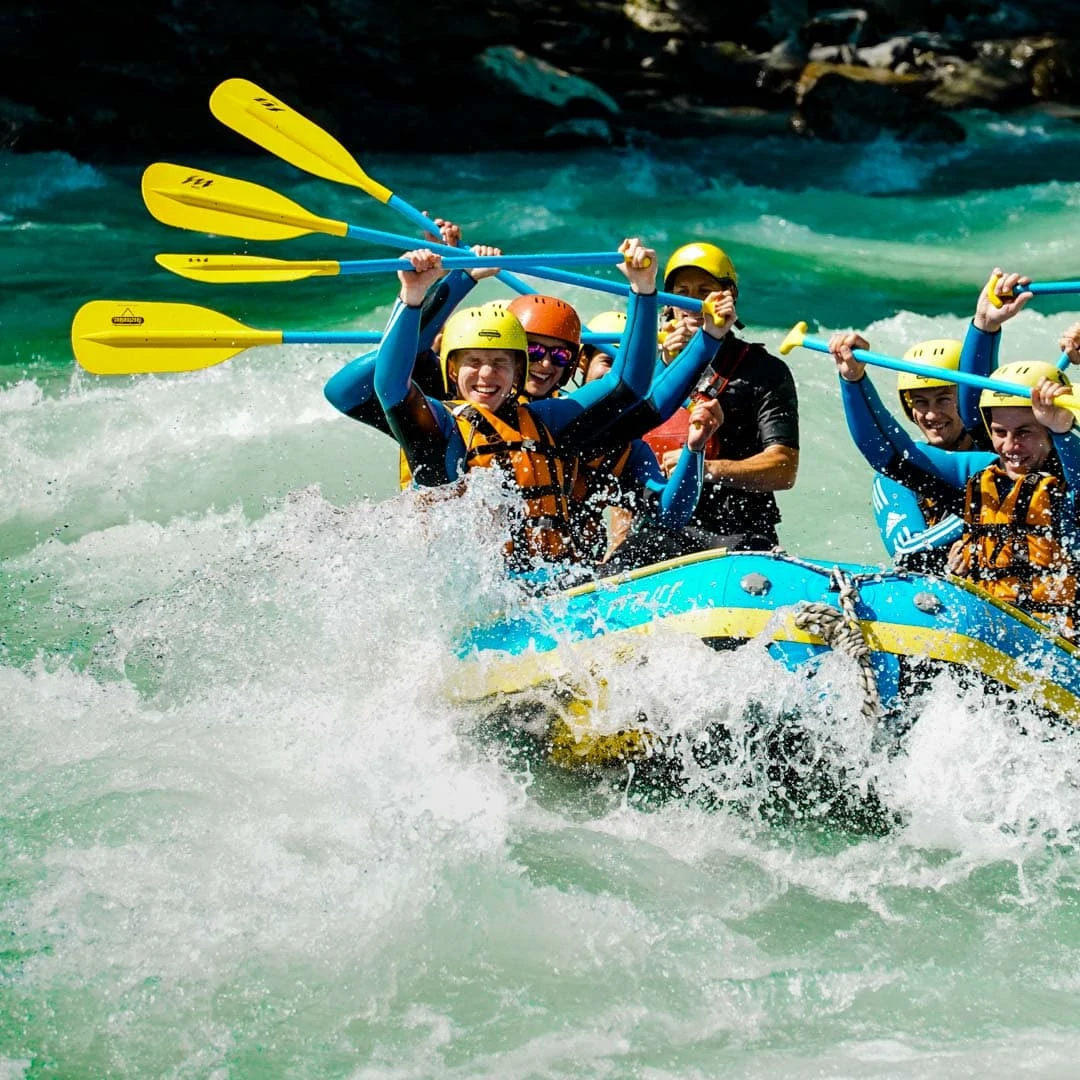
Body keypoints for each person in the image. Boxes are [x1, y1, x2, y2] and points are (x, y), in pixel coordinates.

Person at [372, 239, 726, 574]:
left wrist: (643, 289)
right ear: (450, 367)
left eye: (500, 363)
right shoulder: (439, 426)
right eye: (474, 361)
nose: (486, 374)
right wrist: (414, 295)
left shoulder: (551, 423)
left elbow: (630, 389)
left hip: (555, 589)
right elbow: (387, 385)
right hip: (473, 598)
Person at [829, 327, 1080, 637]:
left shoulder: (1067, 481)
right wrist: (854, 380)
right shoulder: (982, 472)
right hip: (992, 637)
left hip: (1063, 645)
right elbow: (890, 455)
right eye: (1000, 433)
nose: (1011, 446)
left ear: (1050, 431)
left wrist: (1063, 434)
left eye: (1025, 433)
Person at [587, 241, 800, 566]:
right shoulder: (645, 372)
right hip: (660, 530)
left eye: (704, 291)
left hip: (737, 533)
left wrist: (707, 469)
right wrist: (618, 542)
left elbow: (783, 469)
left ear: (729, 297)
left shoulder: (764, 372)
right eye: (681, 291)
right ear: (667, 304)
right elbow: (626, 463)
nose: (691, 302)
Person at [867, 269, 1035, 568]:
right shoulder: (899, 473)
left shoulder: (1006, 451)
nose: (932, 414)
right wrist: (984, 513)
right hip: (940, 591)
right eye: (920, 402)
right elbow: (906, 551)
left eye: (944, 400)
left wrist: (984, 327)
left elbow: (976, 386)